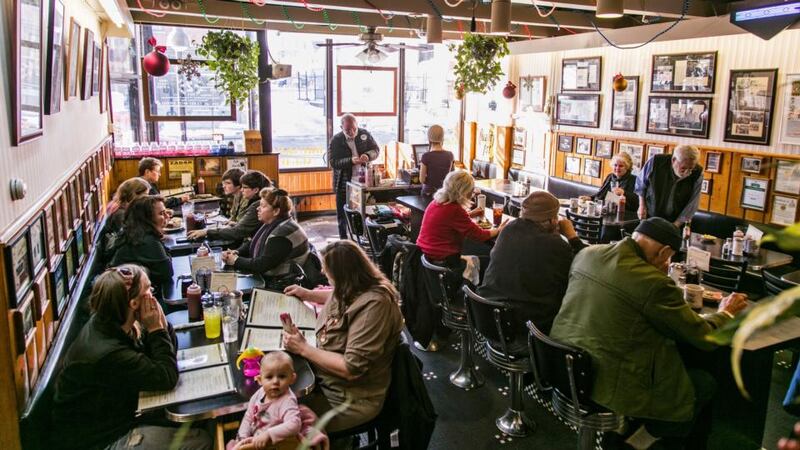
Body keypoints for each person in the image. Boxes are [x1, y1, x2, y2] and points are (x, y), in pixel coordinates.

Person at [549, 217, 748, 449]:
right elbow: (703, 337)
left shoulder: (588, 254)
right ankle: (640, 441)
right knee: (703, 384)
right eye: (669, 256)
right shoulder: (654, 283)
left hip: (562, 363)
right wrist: (726, 313)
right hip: (604, 382)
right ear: (664, 252)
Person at [51, 265, 211, 450]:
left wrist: (159, 323)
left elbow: (167, 355)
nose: (152, 294)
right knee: (201, 441)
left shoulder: (109, 321)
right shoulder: (109, 354)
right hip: (102, 441)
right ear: (134, 303)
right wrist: (156, 329)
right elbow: (166, 376)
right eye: (148, 290)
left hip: (117, 417)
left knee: (195, 422)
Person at [282, 240, 404, 433]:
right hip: (326, 380)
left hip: (347, 399)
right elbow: (336, 295)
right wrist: (308, 295)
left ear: (343, 275)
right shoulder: (356, 285)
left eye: (326, 269)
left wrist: (303, 348)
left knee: (278, 421)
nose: (322, 272)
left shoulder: (375, 306)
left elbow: (351, 368)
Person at [478, 191, 585, 346]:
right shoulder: (555, 245)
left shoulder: (508, 230)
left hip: (486, 314)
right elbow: (584, 265)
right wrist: (572, 236)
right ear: (551, 220)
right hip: (521, 327)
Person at [416, 170, 505, 268]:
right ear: (463, 191)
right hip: (444, 258)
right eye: (471, 189)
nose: (472, 192)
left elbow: (449, 220)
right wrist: (498, 230)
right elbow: (479, 235)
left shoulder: (437, 202)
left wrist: (470, 214)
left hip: (425, 253)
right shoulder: (455, 210)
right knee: (493, 263)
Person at [222, 189, 310, 284]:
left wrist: (235, 260)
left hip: (281, 284)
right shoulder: (275, 223)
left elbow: (261, 265)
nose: (257, 209)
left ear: (276, 211)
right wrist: (237, 252)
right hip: (274, 279)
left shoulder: (282, 234)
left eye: (263, 206)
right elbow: (254, 243)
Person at [227, 351, 302, 450]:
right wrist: (242, 437)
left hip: (274, 445)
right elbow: (248, 417)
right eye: (269, 377)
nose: (275, 381)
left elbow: (295, 424)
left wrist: (269, 434)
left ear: (292, 378)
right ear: (260, 380)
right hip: (254, 439)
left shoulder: (287, 401)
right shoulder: (259, 394)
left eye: (282, 376)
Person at [110, 196, 173, 305]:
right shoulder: (147, 241)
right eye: (162, 213)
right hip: (130, 303)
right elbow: (167, 273)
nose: (167, 216)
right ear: (147, 219)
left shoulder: (136, 234)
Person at [327, 113, 380, 239]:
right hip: (343, 182)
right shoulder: (336, 140)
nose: (351, 132)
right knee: (342, 214)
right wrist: (351, 160)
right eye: (347, 130)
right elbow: (332, 162)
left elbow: (376, 150)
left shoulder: (364, 134)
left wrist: (367, 156)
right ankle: (343, 240)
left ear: (357, 125)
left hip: (364, 180)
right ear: (341, 127)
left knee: (365, 211)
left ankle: (363, 238)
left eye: (354, 129)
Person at [187, 170, 271, 243]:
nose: (242, 190)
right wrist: (236, 224)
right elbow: (246, 227)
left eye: (244, 187)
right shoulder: (253, 201)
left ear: (256, 190)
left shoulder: (256, 204)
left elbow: (239, 232)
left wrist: (206, 232)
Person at [635, 145, 703, 228]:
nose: (687, 173)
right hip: (650, 215)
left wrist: (674, 226)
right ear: (674, 160)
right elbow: (641, 184)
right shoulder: (656, 162)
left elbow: (692, 204)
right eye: (683, 168)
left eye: (691, 168)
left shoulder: (697, 173)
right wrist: (641, 205)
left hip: (675, 221)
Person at [100, 177, 151, 263]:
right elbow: (132, 238)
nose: (147, 198)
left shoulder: (127, 208)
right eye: (145, 195)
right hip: (119, 260)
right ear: (133, 194)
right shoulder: (120, 214)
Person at [419, 124, 454, 195]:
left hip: (429, 193)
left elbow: (422, 180)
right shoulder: (450, 155)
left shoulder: (426, 156)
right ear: (442, 138)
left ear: (429, 138)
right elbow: (450, 176)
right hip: (444, 193)